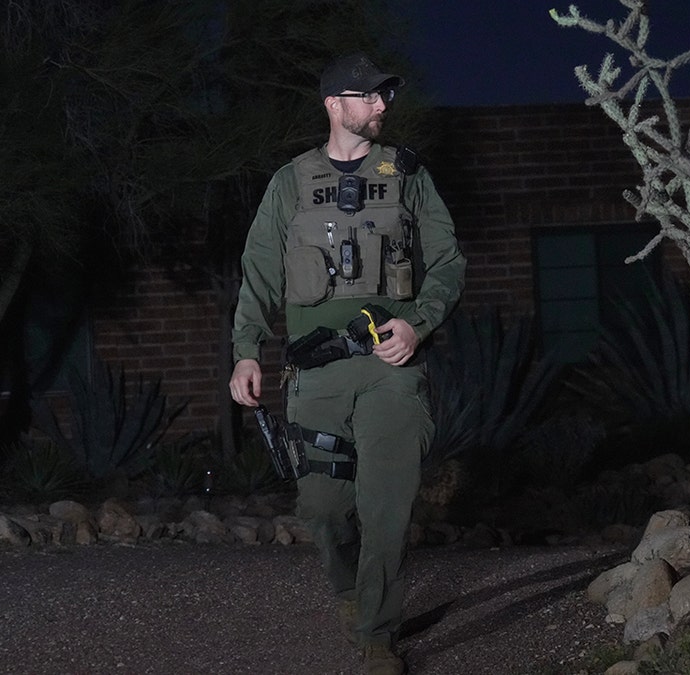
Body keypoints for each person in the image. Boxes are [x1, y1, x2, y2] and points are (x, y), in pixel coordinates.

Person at [228, 52, 466, 675]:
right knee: (324, 508)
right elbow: (259, 272)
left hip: (392, 369)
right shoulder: (290, 183)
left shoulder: (408, 175)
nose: (382, 105)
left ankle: (378, 636)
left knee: (388, 506)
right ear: (334, 105)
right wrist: (246, 351)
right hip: (317, 374)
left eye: (386, 96)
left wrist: (418, 324)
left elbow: (447, 262)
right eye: (369, 96)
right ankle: (349, 591)